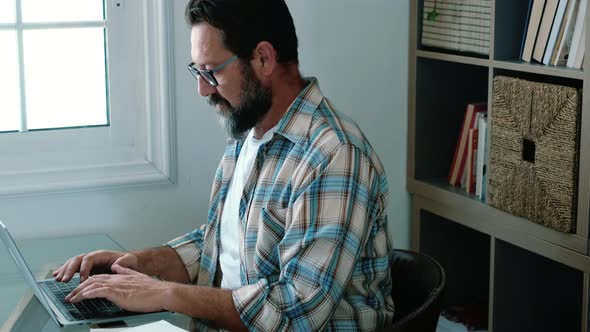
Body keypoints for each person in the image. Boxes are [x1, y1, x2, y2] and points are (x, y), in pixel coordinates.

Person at [55, 0, 394, 330]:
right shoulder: (247, 133)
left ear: (263, 58)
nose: (203, 90)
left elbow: (294, 315)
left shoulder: (334, 156)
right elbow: (227, 243)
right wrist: (146, 263)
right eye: (197, 72)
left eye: (211, 72)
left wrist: (165, 293)